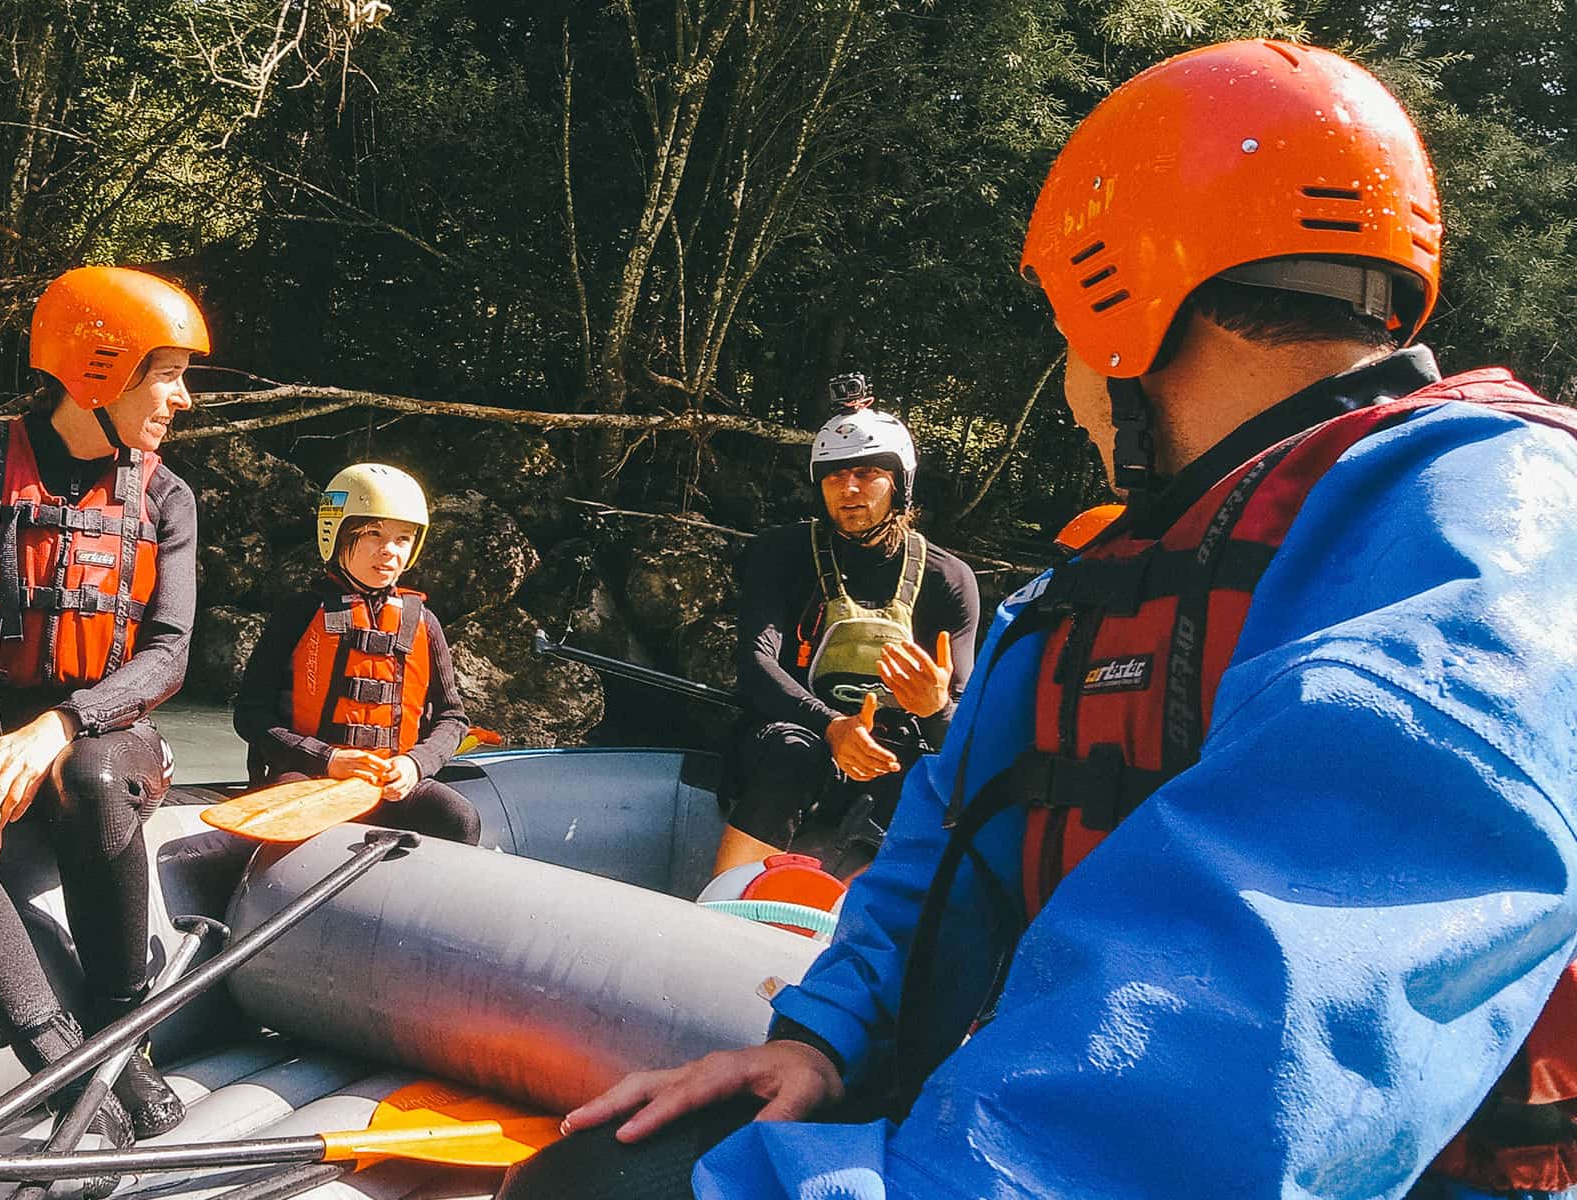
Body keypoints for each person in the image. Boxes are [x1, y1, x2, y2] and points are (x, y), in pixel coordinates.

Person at [499, 39, 1577, 1200]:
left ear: (1130, 307)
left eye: (1066, 332)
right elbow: (940, 851)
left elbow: (1268, 993)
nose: (1067, 389)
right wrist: (820, 1040)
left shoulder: (1492, 525)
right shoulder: (1078, 593)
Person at [0, 266, 209, 1172]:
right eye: (164, 372)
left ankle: (121, 1031)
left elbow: (169, 654)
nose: (180, 398)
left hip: (98, 728)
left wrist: (60, 726)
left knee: (94, 778)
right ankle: (63, 1067)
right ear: (95, 368)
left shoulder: (167, 497)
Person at [714, 376, 983, 875]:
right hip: (792, 734)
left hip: (891, 750)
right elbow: (755, 664)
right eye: (835, 476)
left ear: (899, 482)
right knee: (795, 754)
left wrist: (935, 706)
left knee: (929, 793)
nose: (849, 488)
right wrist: (832, 726)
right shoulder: (780, 552)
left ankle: (854, 924)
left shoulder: (949, 578)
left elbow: (958, 727)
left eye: (866, 473)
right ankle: (724, 910)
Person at [232, 463, 480, 845]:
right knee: (294, 823)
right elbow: (250, 715)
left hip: (390, 782)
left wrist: (416, 765)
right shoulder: (298, 615)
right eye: (373, 535)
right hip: (311, 774)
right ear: (336, 533)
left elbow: (453, 718)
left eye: (402, 539)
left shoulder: (423, 622)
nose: (389, 552)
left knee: (458, 818)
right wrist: (327, 759)